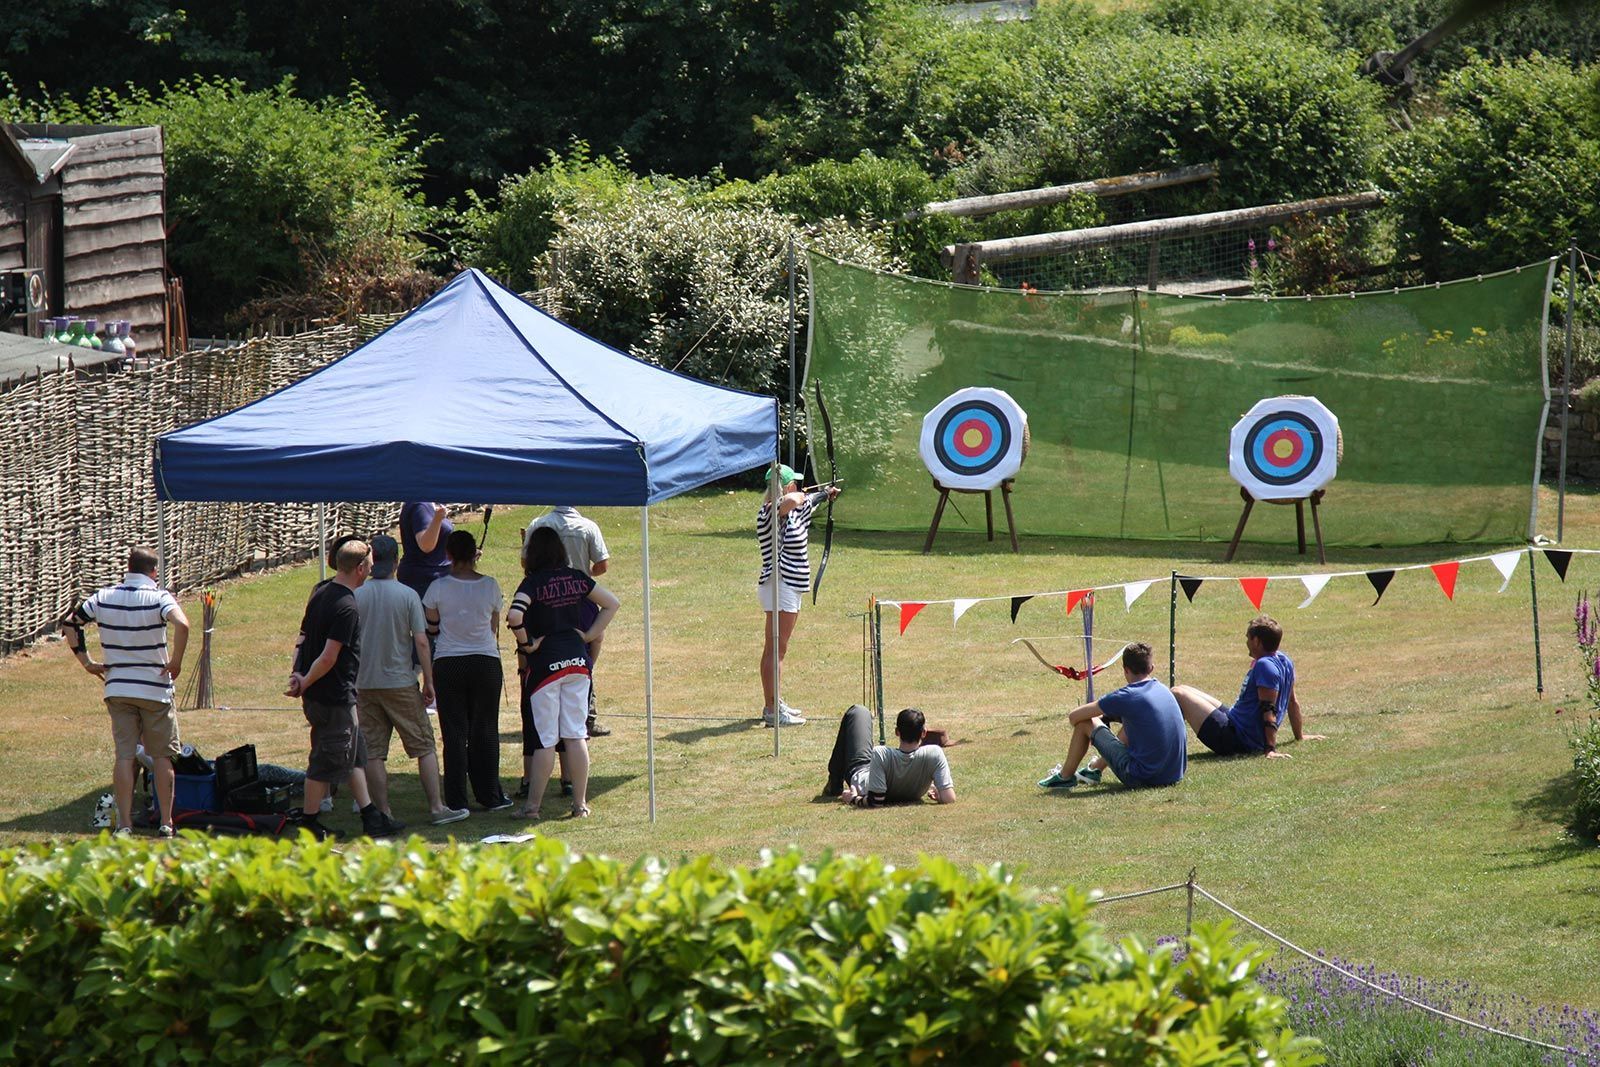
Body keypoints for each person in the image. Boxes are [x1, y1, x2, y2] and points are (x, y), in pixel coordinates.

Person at [62, 547, 190, 837]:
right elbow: (182, 624)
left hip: (118, 686)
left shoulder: (103, 596)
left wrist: (87, 663)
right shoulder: (159, 597)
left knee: (125, 755)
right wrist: (176, 662)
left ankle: (123, 825)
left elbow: (71, 624)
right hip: (155, 688)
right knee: (162, 757)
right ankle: (166, 823)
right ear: (154, 573)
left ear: (127, 568)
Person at [286, 539, 405, 840]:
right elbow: (328, 657)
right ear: (361, 568)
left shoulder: (320, 592)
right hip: (332, 696)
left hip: (330, 693)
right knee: (325, 760)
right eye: (369, 564)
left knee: (353, 754)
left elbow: (302, 639)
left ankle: (371, 816)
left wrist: (297, 673)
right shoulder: (346, 606)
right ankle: (310, 824)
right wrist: (305, 681)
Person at [353, 535, 469, 827]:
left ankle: (383, 811)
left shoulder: (356, 596)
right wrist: (429, 681)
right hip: (400, 682)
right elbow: (421, 641)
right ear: (396, 561)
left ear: (370, 562)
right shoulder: (407, 595)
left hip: (365, 683)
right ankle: (437, 807)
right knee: (424, 745)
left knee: (374, 751)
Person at [507, 526, 621, 819]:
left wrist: (528, 644)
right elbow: (612, 603)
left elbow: (515, 615)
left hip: (546, 667)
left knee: (546, 739)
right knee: (575, 734)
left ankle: (532, 808)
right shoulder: (577, 578)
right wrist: (588, 635)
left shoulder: (532, 584)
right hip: (578, 663)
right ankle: (580, 805)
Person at [423, 530, 512, 811]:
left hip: (449, 662)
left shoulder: (438, 587)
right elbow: (493, 627)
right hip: (485, 661)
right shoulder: (490, 585)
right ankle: (490, 796)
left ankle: (457, 799)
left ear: (448, 555)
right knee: (485, 729)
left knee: (454, 732)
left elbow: (432, 625)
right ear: (475, 554)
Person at [1037, 642, 1187, 790]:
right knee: (1133, 721)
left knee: (1085, 723)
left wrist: (1102, 718)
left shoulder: (1126, 696)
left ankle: (1065, 777)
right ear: (1151, 668)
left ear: (1125, 670)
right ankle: (1094, 769)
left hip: (1142, 778)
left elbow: (1075, 716)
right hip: (1174, 775)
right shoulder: (1163, 689)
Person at [1172, 614, 1325, 758]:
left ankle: (1168, 750)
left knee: (1177, 693)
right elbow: (1292, 702)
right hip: (1235, 722)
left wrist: (1270, 749)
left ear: (1257, 641)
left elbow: (1268, 709)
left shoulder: (1265, 665)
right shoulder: (1285, 660)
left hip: (1237, 739)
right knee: (1183, 688)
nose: (1246, 642)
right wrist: (1299, 736)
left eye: (1248, 638)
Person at [757, 464, 840, 727]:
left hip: (790, 586)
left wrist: (825, 494)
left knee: (777, 648)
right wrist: (800, 495)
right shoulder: (771, 511)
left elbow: (806, 502)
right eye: (796, 484)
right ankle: (771, 710)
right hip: (779, 584)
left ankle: (774, 701)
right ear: (786, 487)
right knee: (775, 650)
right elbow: (792, 500)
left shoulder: (795, 514)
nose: (801, 488)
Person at [523, 505, 612, 738]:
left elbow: (525, 564)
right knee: (585, 653)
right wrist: (583, 576)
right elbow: (602, 565)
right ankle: (586, 715)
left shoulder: (537, 523)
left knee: (548, 651)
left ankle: (548, 715)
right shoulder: (589, 526)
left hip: (543, 598)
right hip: (580, 596)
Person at [824, 705, 956, 807]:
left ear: (897, 732)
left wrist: (853, 799)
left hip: (861, 773)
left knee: (859, 711)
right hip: (884, 775)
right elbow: (949, 798)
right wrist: (939, 796)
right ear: (924, 733)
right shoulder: (934, 754)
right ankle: (834, 783)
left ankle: (835, 783)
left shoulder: (881, 754)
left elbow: (875, 801)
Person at [396, 502, 453, 600]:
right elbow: (426, 545)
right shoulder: (420, 506)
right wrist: (438, 518)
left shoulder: (427, 505)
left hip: (434, 579)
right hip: (425, 582)